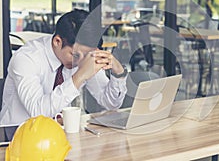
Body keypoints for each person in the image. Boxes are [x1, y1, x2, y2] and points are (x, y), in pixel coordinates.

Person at [0, 9, 128, 125]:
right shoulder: (26, 58)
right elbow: (38, 112)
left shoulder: (82, 56)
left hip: (59, 135)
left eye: (87, 55)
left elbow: (110, 104)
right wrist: (80, 76)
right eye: (75, 55)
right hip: (16, 137)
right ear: (57, 42)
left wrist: (118, 73)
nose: (81, 62)